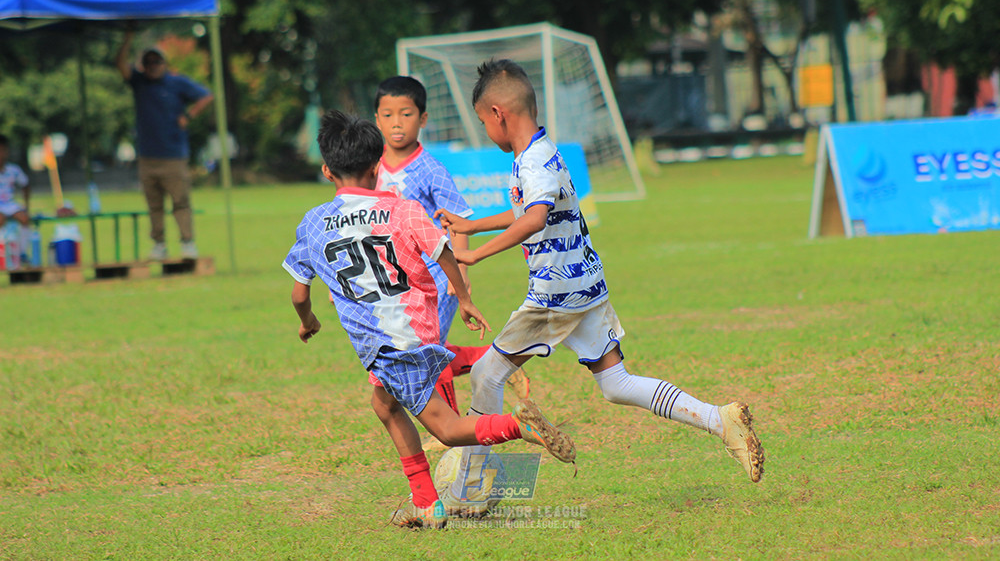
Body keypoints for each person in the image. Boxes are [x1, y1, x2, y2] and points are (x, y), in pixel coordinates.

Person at [434, 59, 765, 517]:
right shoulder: (540, 151)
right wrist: (474, 224)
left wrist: (475, 252)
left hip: (556, 293)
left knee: (488, 374)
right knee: (615, 383)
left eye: (481, 122)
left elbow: (533, 218)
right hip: (585, 284)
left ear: (498, 113)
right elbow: (528, 209)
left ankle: (470, 490)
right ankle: (720, 420)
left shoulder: (532, 160)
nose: (485, 131)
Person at [282, 109, 575, 529]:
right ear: (377, 164)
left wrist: (307, 320)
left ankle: (521, 427)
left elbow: (298, 292)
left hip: (388, 345)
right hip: (416, 328)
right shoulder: (404, 211)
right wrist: (464, 295)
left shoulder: (313, 225)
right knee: (383, 404)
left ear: (327, 170)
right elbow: (443, 252)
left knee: (449, 429)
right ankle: (426, 502)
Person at [372, 76, 530, 424]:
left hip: (433, 279)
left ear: (423, 119)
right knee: (409, 354)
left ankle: (455, 429)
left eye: (406, 114)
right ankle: (493, 358)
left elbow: (456, 224)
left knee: (426, 354)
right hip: (394, 283)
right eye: (387, 115)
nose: (396, 123)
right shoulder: (373, 167)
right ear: (377, 119)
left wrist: (459, 280)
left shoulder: (431, 170)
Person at [116, 29, 213, 261]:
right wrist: (128, 36)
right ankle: (159, 244)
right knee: (154, 204)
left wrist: (188, 116)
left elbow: (206, 96)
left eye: (156, 62)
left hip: (173, 155)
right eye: (148, 63)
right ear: (143, 66)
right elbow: (120, 64)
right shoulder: (139, 83)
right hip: (147, 156)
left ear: (164, 63)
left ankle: (187, 242)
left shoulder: (176, 83)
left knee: (180, 201)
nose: (152, 66)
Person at [0, 134, 31, 262]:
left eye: (3, 150)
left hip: (9, 204)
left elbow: (25, 185)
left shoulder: (13, 170)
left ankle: (21, 252)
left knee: (24, 218)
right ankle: (3, 252)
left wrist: (26, 205)